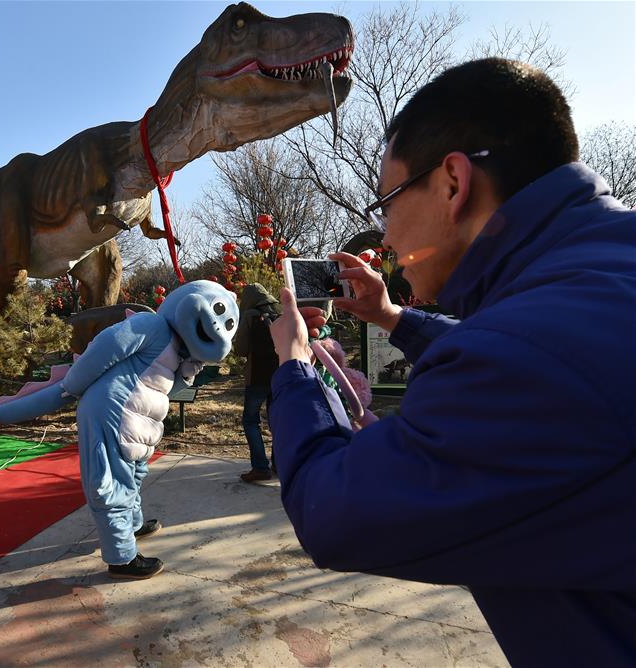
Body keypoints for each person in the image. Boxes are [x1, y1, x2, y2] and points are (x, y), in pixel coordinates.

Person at [268, 58, 636, 667]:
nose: (382, 238)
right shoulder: (593, 280)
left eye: (386, 201)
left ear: (452, 183)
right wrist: (392, 317)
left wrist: (295, 368)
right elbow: (549, 357)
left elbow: (333, 513)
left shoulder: (528, 356)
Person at [232, 283, 281, 482]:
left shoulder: (250, 315)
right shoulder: (282, 311)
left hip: (257, 376)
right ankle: (280, 464)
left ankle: (260, 468)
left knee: (251, 420)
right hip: (282, 376)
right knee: (278, 421)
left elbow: (241, 349)